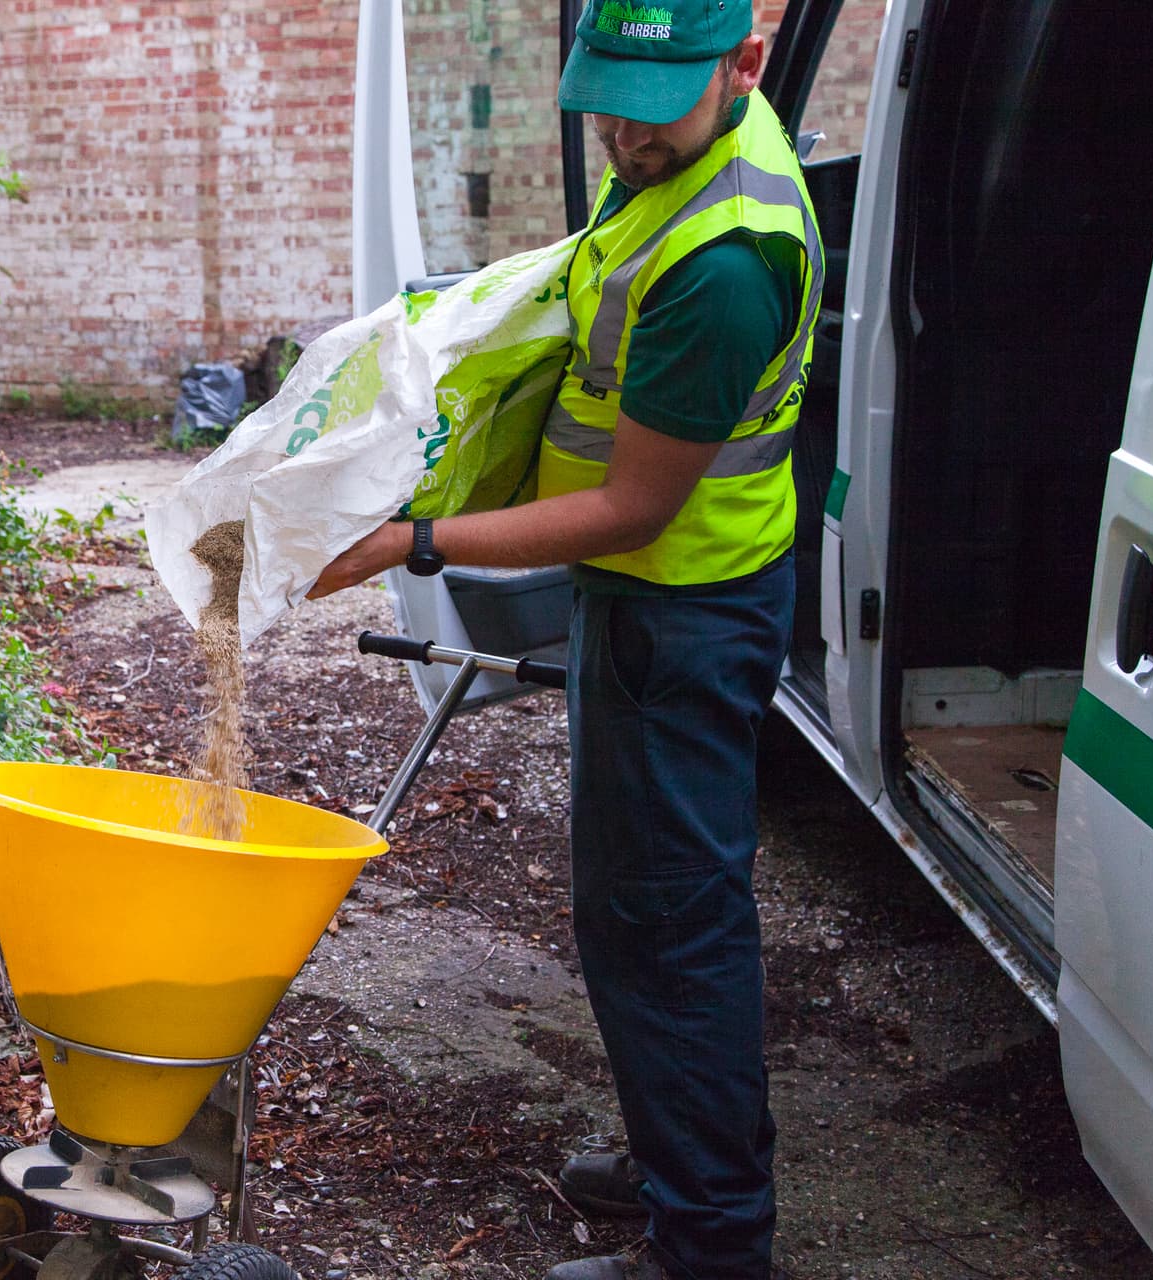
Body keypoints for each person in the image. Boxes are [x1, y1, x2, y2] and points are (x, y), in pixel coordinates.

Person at [309, 2, 822, 1276]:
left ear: (743, 67)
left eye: (650, 105)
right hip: (660, 596)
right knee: (642, 910)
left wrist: (412, 540)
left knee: (669, 926)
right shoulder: (686, 153)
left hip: (681, 613)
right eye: (603, 97)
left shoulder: (722, 265)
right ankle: (678, 1156)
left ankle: (707, 1242)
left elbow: (629, 503)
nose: (618, 134)